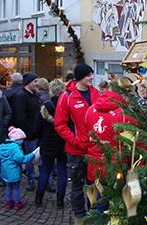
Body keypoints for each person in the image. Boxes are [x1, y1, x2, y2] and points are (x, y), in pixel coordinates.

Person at [54, 62, 100, 225]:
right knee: (77, 186)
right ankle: (79, 217)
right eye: (88, 75)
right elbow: (60, 125)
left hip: (95, 151)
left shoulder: (96, 93)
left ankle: (94, 216)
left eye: (92, 75)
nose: (92, 78)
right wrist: (77, 142)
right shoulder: (67, 97)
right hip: (76, 151)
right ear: (80, 77)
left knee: (94, 185)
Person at [85, 77, 136, 214]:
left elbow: (86, 136)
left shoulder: (90, 110)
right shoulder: (124, 114)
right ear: (123, 94)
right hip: (115, 167)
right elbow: (132, 144)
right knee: (114, 208)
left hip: (94, 165)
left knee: (98, 204)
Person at [34, 79, 67, 208]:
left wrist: (42, 139)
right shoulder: (66, 107)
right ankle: (60, 200)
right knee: (62, 172)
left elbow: (37, 128)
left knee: (45, 171)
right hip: (62, 144)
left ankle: (38, 198)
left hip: (47, 143)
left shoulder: (44, 107)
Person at [14, 72, 41, 191]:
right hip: (30, 134)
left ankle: (45, 178)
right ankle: (30, 180)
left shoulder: (36, 95)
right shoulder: (21, 96)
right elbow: (21, 117)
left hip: (39, 133)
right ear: (28, 83)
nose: (37, 83)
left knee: (42, 157)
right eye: (35, 81)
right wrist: (31, 130)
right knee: (29, 158)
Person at [0, 126, 37, 210]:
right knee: (16, 187)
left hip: (5, 171)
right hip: (14, 172)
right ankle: (17, 202)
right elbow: (20, 159)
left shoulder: (3, 146)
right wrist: (31, 155)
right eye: (22, 139)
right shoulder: (15, 148)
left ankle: (8, 202)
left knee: (9, 186)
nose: (22, 142)